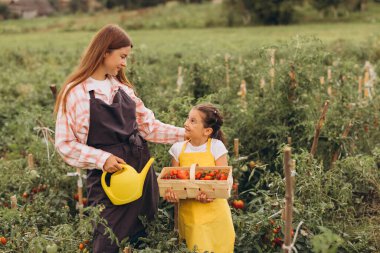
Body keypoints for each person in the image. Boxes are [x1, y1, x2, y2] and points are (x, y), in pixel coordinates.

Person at [54, 24, 185, 253]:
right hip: (110, 180)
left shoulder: (123, 88)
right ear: (105, 52)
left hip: (140, 170)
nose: (124, 63)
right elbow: (64, 144)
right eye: (122, 56)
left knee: (144, 236)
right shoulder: (76, 93)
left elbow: (149, 128)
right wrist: (102, 159)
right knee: (107, 241)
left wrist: (185, 134)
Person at [164, 103, 235, 253]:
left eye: (193, 121)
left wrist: (211, 194)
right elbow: (175, 183)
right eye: (188, 119)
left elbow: (226, 181)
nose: (186, 123)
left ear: (207, 131)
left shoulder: (216, 147)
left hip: (217, 215)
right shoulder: (177, 149)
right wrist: (172, 195)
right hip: (191, 217)